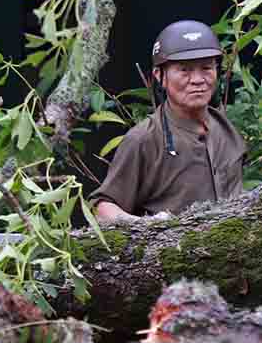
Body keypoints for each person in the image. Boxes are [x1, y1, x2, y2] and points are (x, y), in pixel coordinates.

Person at [92, 20, 247, 224]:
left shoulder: (226, 130)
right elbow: (102, 208)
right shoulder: (144, 140)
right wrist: (146, 226)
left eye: (206, 68)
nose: (198, 79)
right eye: (185, 70)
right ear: (160, 76)